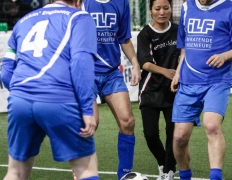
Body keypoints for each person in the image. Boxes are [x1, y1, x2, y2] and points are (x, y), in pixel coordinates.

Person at [1, 0, 100, 179]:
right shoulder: (79, 17)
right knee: (86, 170)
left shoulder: (23, 21)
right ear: (78, 2)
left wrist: (22, 93)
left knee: (15, 172)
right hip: (59, 99)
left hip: (20, 101)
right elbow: (80, 63)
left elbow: (6, 71)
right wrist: (87, 109)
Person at [170, 0, 232, 180]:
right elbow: (184, 47)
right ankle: (185, 175)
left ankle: (216, 177)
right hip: (188, 81)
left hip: (217, 81)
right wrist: (178, 72)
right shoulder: (185, 7)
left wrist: (225, 55)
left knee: (212, 125)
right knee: (179, 137)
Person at [82, 0, 141, 180]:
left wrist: (136, 64)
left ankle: (124, 175)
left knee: (128, 121)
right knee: (90, 125)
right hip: (86, 72)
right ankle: (81, 173)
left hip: (111, 73)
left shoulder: (121, 2)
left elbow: (124, 38)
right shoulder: (82, 2)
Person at [137, 0, 180, 179]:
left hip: (174, 89)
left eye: (166, 8)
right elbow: (145, 63)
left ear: (171, 8)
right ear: (150, 11)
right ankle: (163, 162)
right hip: (150, 89)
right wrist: (165, 71)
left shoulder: (179, 30)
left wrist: (177, 75)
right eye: (158, 8)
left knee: (173, 132)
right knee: (150, 134)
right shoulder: (144, 34)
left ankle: (169, 170)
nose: (162, 12)